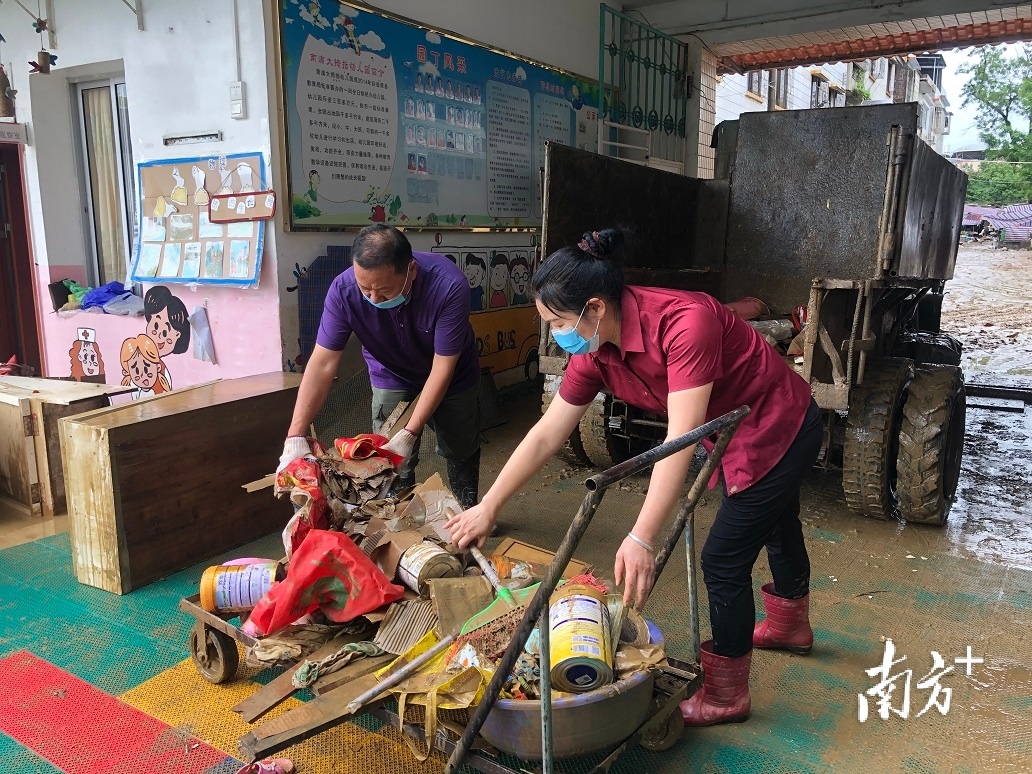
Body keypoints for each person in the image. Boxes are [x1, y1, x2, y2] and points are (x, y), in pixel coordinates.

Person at [446, 227, 822, 727]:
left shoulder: (685, 324)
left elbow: (679, 441)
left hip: (779, 425)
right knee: (776, 520)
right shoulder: (595, 349)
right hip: (730, 430)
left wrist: (643, 537)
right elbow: (545, 435)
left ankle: (728, 695)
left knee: (723, 560)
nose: (557, 334)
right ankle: (790, 627)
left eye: (558, 321)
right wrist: (488, 506)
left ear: (596, 308)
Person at [279, 224, 482, 507]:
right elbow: (323, 363)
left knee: (459, 446)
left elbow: (442, 368)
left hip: (453, 375)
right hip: (391, 374)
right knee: (389, 455)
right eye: (365, 289)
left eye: (384, 291)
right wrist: (295, 435)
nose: (373, 299)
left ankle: (468, 510)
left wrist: (411, 432)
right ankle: (396, 521)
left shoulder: (448, 286)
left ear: (410, 270)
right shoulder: (343, 290)